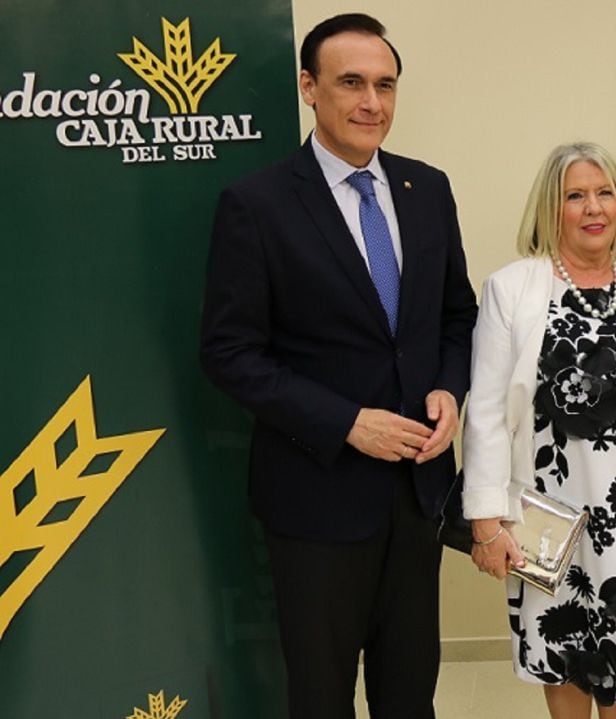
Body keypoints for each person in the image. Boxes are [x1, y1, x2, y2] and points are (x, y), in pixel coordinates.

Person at [199, 13, 476, 719]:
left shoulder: (427, 189)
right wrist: (347, 422)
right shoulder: (256, 206)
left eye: (385, 85)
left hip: (419, 495)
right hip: (316, 497)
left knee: (410, 690)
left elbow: (455, 316)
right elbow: (228, 352)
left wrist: (449, 386)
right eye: (351, 82)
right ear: (308, 88)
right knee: (321, 697)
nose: (371, 102)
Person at [462, 142, 616, 719]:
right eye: (575, 196)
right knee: (567, 648)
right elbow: (490, 413)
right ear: (551, 208)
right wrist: (486, 522)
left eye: (605, 192)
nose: (594, 208)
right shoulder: (512, 288)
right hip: (552, 513)